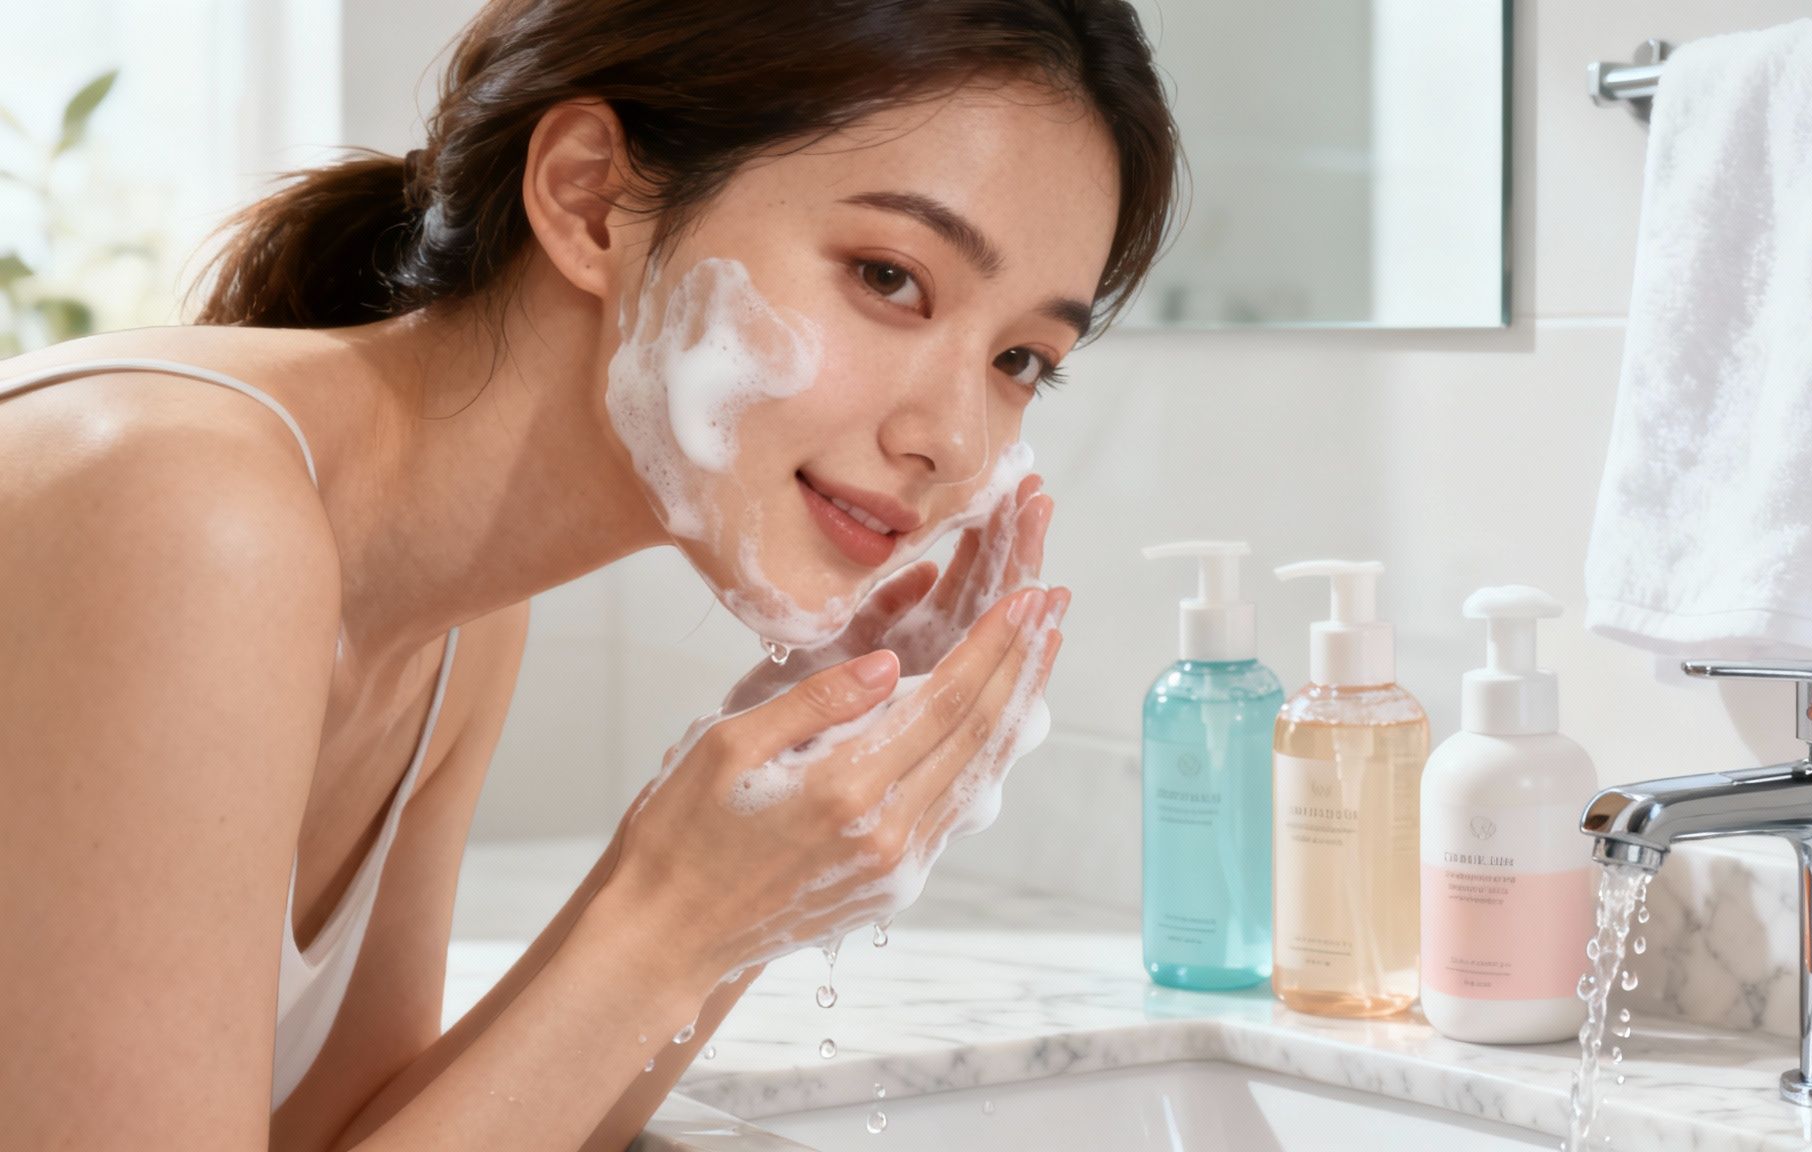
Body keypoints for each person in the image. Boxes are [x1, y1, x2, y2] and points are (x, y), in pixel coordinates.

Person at [0, 2, 1179, 1147]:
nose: (957, 440)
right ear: (589, 197)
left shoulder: (458, 619)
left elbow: (338, 1139)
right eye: (887, 277)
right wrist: (672, 914)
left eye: (1021, 358)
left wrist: (751, 873)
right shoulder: (177, 506)